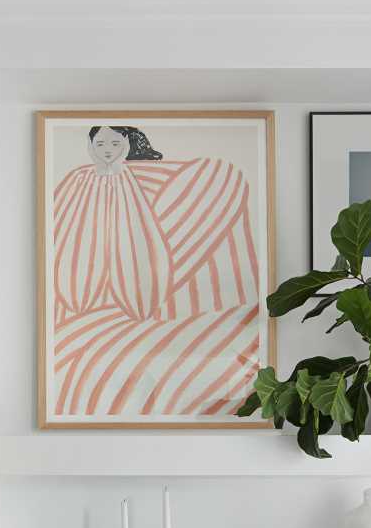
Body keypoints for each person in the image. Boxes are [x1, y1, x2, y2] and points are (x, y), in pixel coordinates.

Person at [50, 125, 264, 420]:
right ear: (90, 146)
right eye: (100, 142)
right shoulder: (79, 183)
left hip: (158, 323)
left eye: (114, 141)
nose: (107, 149)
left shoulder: (208, 178)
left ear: (127, 143)